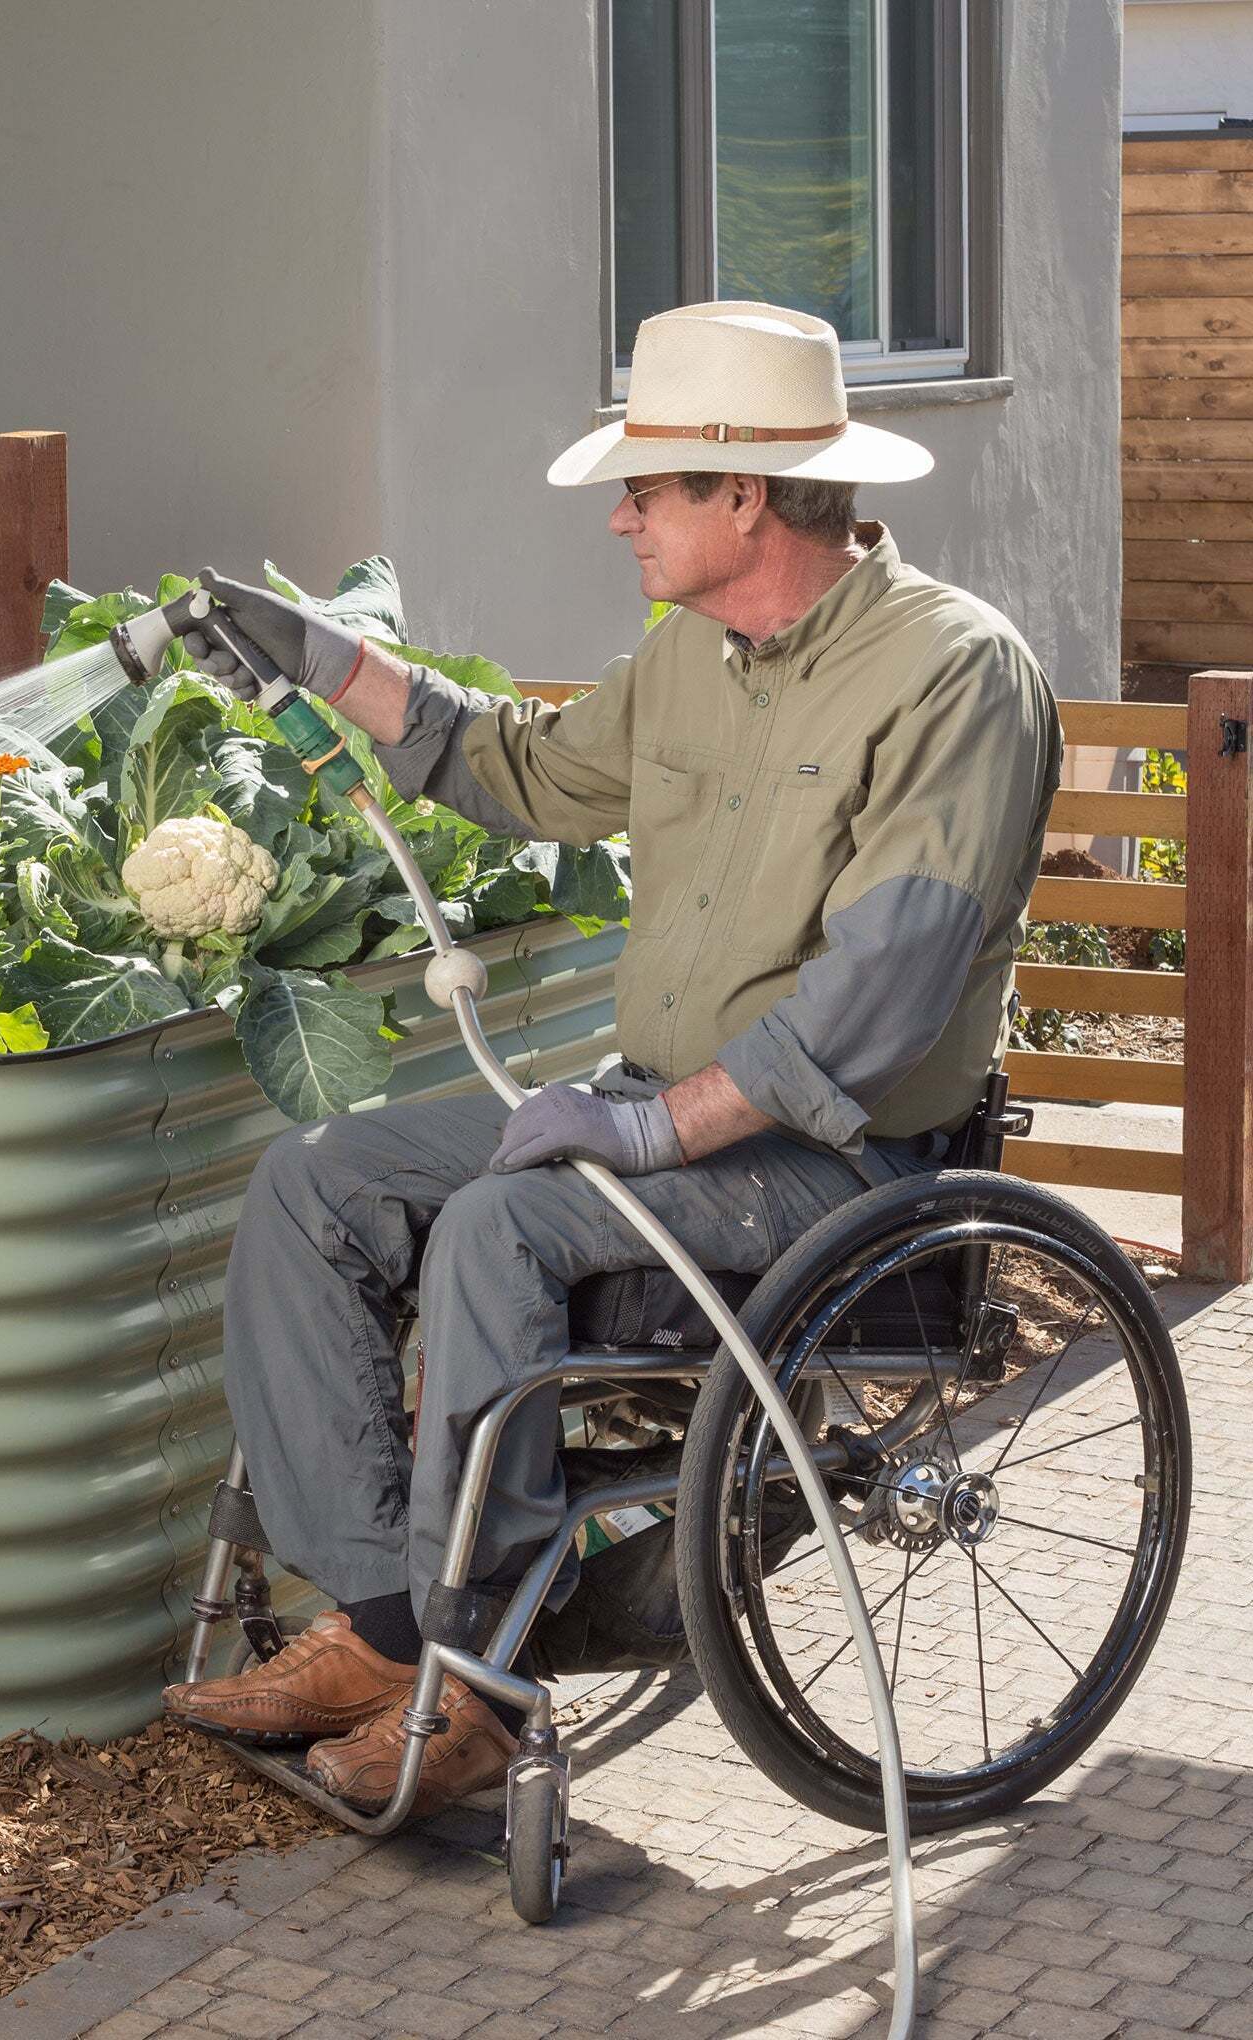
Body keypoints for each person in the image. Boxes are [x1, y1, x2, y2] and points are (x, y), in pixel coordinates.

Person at [161, 300, 1063, 1817]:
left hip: (843, 1166)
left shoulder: (953, 675)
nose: (621, 517)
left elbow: (885, 993)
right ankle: (393, 1629)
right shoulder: (692, 657)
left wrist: (651, 1136)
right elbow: (513, 765)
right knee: (318, 1179)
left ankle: (484, 1687)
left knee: (508, 1220)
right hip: (671, 1118)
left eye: (646, 487)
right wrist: (325, 658)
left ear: (748, 495)